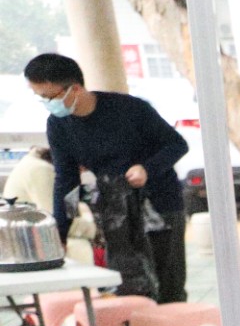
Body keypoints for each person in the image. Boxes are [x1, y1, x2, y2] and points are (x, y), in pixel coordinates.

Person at [23, 52, 189, 303]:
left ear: (75, 88)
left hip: (159, 205)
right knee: (127, 284)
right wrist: (61, 233)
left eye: (50, 97)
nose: (47, 103)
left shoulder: (130, 108)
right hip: (115, 213)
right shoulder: (58, 125)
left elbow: (176, 145)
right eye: (40, 98)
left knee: (168, 283)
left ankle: (173, 324)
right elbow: (66, 181)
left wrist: (147, 169)